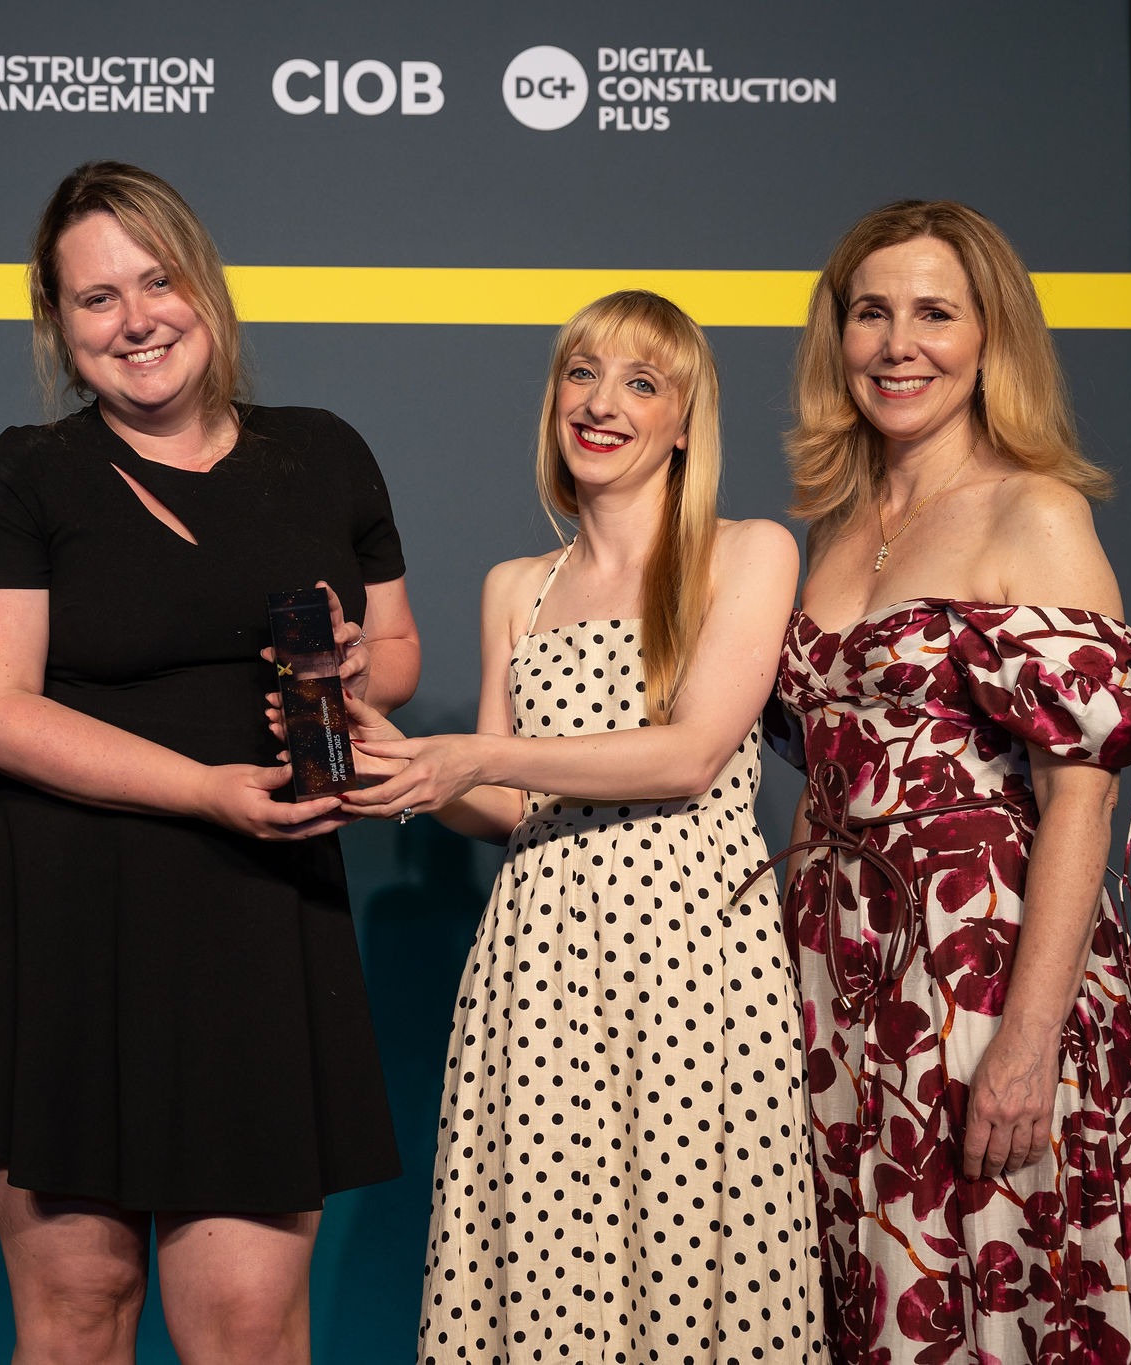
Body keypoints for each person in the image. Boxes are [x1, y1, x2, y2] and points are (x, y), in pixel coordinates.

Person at [0, 161, 420, 1364]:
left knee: (247, 1327)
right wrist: (203, 792)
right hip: (56, 914)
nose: (135, 320)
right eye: (96, 298)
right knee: (79, 1313)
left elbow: (391, 647)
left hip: (258, 916)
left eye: (157, 281)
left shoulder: (322, 453)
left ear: (204, 288)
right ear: (59, 325)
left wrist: (351, 677)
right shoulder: (19, 476)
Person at [338, 291, 826, 1363]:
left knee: (693, 1267)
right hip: (539, 964)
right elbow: (505, 805)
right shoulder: (517, 586)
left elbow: (689, 755)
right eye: (582, 373)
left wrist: (477, 754)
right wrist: (389, 752)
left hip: (693, 959)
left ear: (684, 423)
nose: (602, 404)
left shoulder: (746, 553)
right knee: (547, 1268)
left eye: (640, 383)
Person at [767, 199, 1131, 1361]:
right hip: (836, 986)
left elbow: (1082, 796)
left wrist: (1026, 1038)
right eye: (869, 313)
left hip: (981, 977)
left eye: (933, 314)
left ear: (987, 338)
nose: (896, 345)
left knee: (995, 1296)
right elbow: (821, 779)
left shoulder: (1031, 510)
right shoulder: (836, 525)